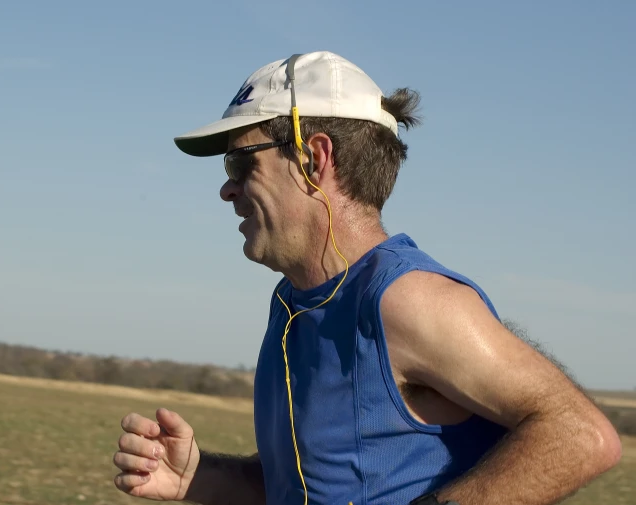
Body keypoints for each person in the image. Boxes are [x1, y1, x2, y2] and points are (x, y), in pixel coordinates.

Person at [112, 51, 622, 505]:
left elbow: (579, 435)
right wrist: (197, 480)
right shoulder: (293, 304)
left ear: (314, 159)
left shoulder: (407, 299)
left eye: (241, 163)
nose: (228, 189)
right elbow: (305, 487)